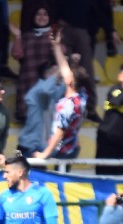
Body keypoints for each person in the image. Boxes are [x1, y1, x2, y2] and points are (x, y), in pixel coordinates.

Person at [34, 31, 87, 160]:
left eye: (68, 75)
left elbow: (59, 132)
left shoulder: (68, 105)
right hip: (73, 147)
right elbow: (64, 68)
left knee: (28, 152)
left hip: (62, 150)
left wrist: (45, 154)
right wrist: (56, 46)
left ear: (70, 82)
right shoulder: (82, 96)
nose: (64, 74)